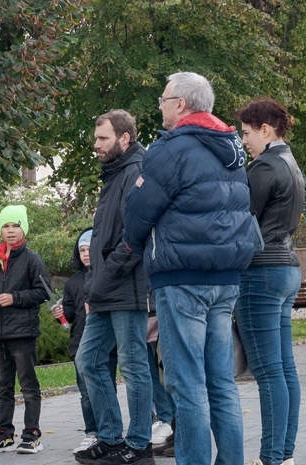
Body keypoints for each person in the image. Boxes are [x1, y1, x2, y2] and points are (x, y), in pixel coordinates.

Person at [123, 72, 262, 465]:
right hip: (225, 277)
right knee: (221, 381)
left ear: (181, 104)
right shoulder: (230, 148)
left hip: (182, 276)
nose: (160, 106)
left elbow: (138, 210)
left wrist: (133, 244)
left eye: (164, 99)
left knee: (187, 384)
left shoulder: (171, 148)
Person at [74, 109, 155, 465]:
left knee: (134, 364)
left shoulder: (135, 171)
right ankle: (110, 439)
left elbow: (134, 238)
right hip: (106, 287)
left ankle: (139, 445)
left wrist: (103, 280)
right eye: (96, 138)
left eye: (103, 138)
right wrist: (96, 284)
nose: (96, 145)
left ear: (124, 138)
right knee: (87, 359)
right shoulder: (114, 173)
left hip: (127, 286)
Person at [234, 98, 305, 465]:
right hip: (286, 268)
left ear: (265, 129)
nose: (243, 140)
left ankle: (272, 457)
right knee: (284, 367)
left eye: (246, 133)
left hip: (261, 271)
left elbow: (242, 220)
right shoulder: (292, 165)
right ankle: (284, 454)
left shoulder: (263, 167)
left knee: (268, 371)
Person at [0, 206, 51, 454]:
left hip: (23, 333)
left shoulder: (33, 259)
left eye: (15, 225)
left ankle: (32, 434)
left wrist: (15, 297)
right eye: (6, 226)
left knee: (28, 385)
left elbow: (43, 292)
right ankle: (4, 433)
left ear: (24, 229)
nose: (10, 231)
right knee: (3, 386)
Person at [55, 229, 120, 452]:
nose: (85, 254)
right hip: (80, 342)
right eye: (81, 250)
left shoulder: (105, 275)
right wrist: (61, 314)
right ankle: (91, 431)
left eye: (89, 249)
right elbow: (69, 315)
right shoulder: (73, 282)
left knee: (106, 386)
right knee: (85, 392)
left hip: (106, 345)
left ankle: (109, 431)